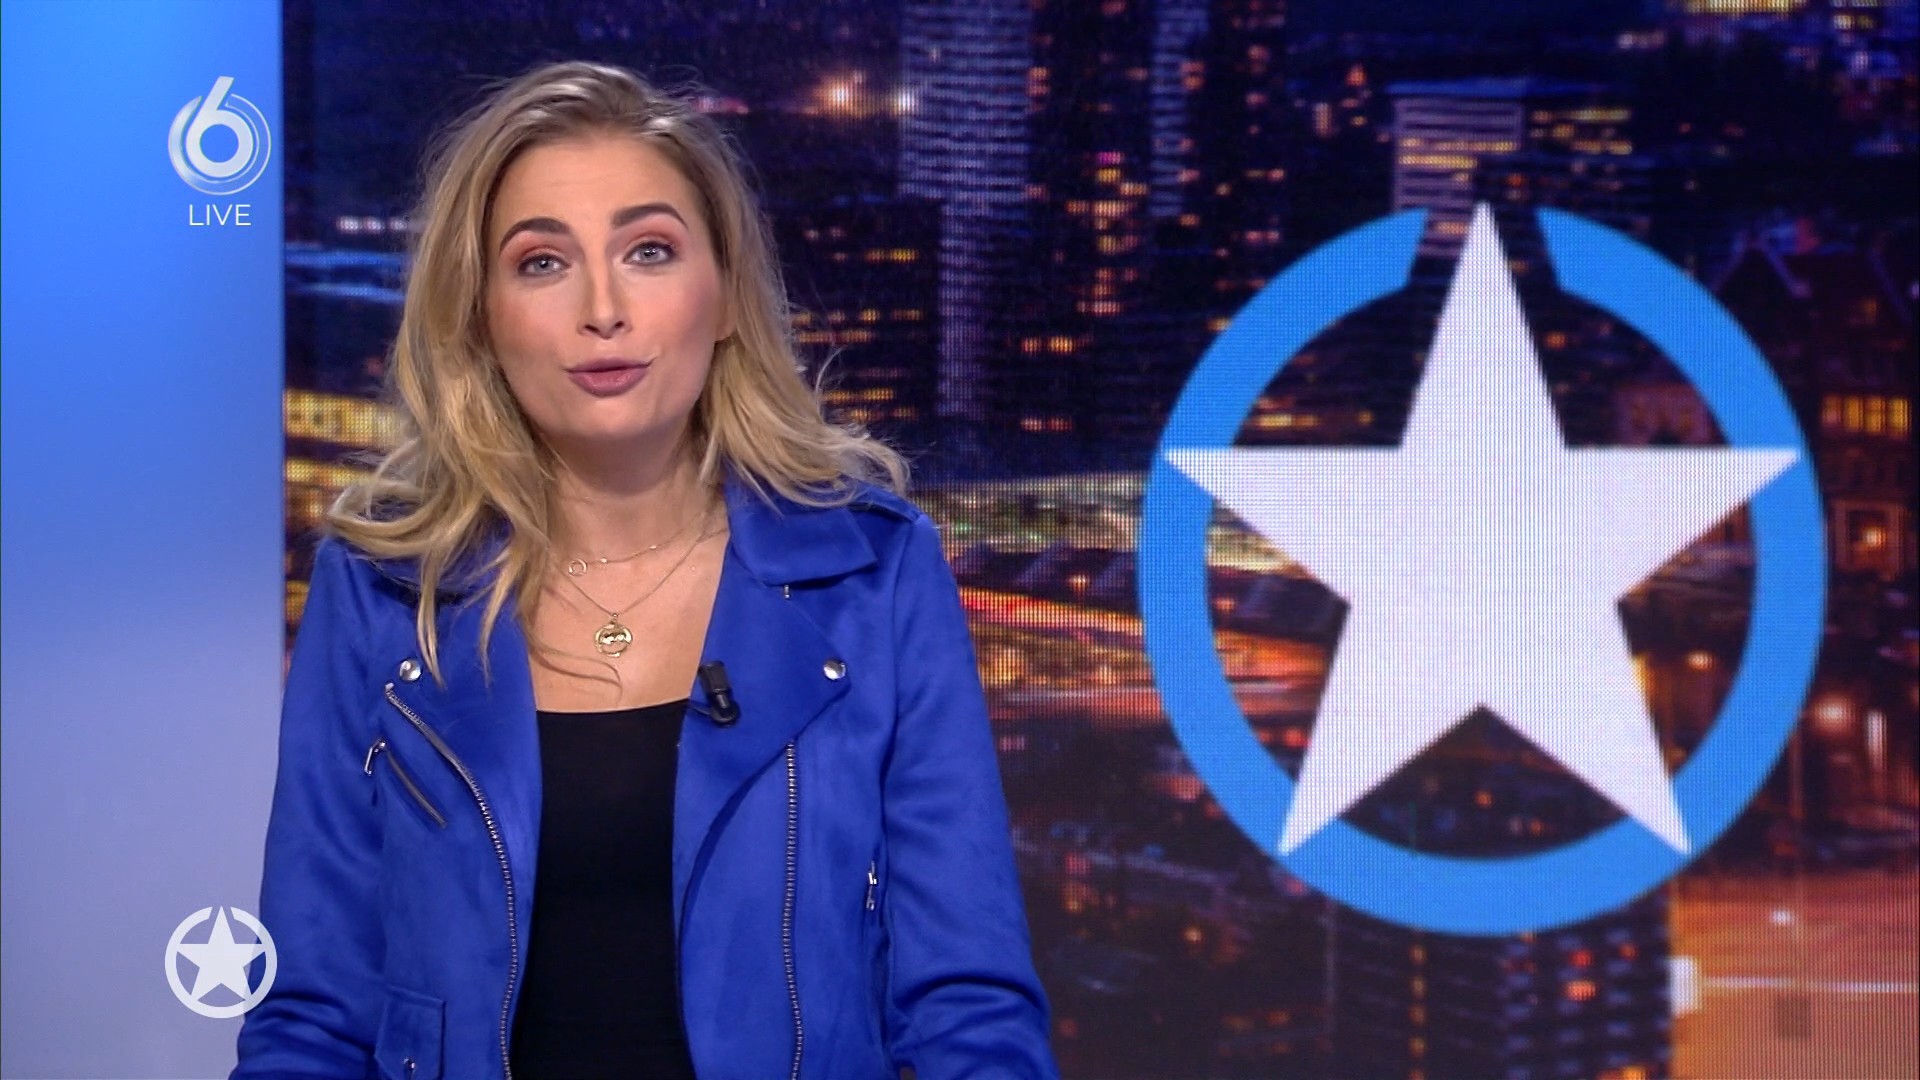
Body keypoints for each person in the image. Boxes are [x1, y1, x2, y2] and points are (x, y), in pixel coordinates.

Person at [230, 60, 1057, 1080]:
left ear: (725, 296)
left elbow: (967, 1006)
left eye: (649, 251)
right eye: (542, 262)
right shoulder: (381, 589)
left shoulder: (875, 574)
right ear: (480, 316)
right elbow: (312, 1017)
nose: (603, 308)